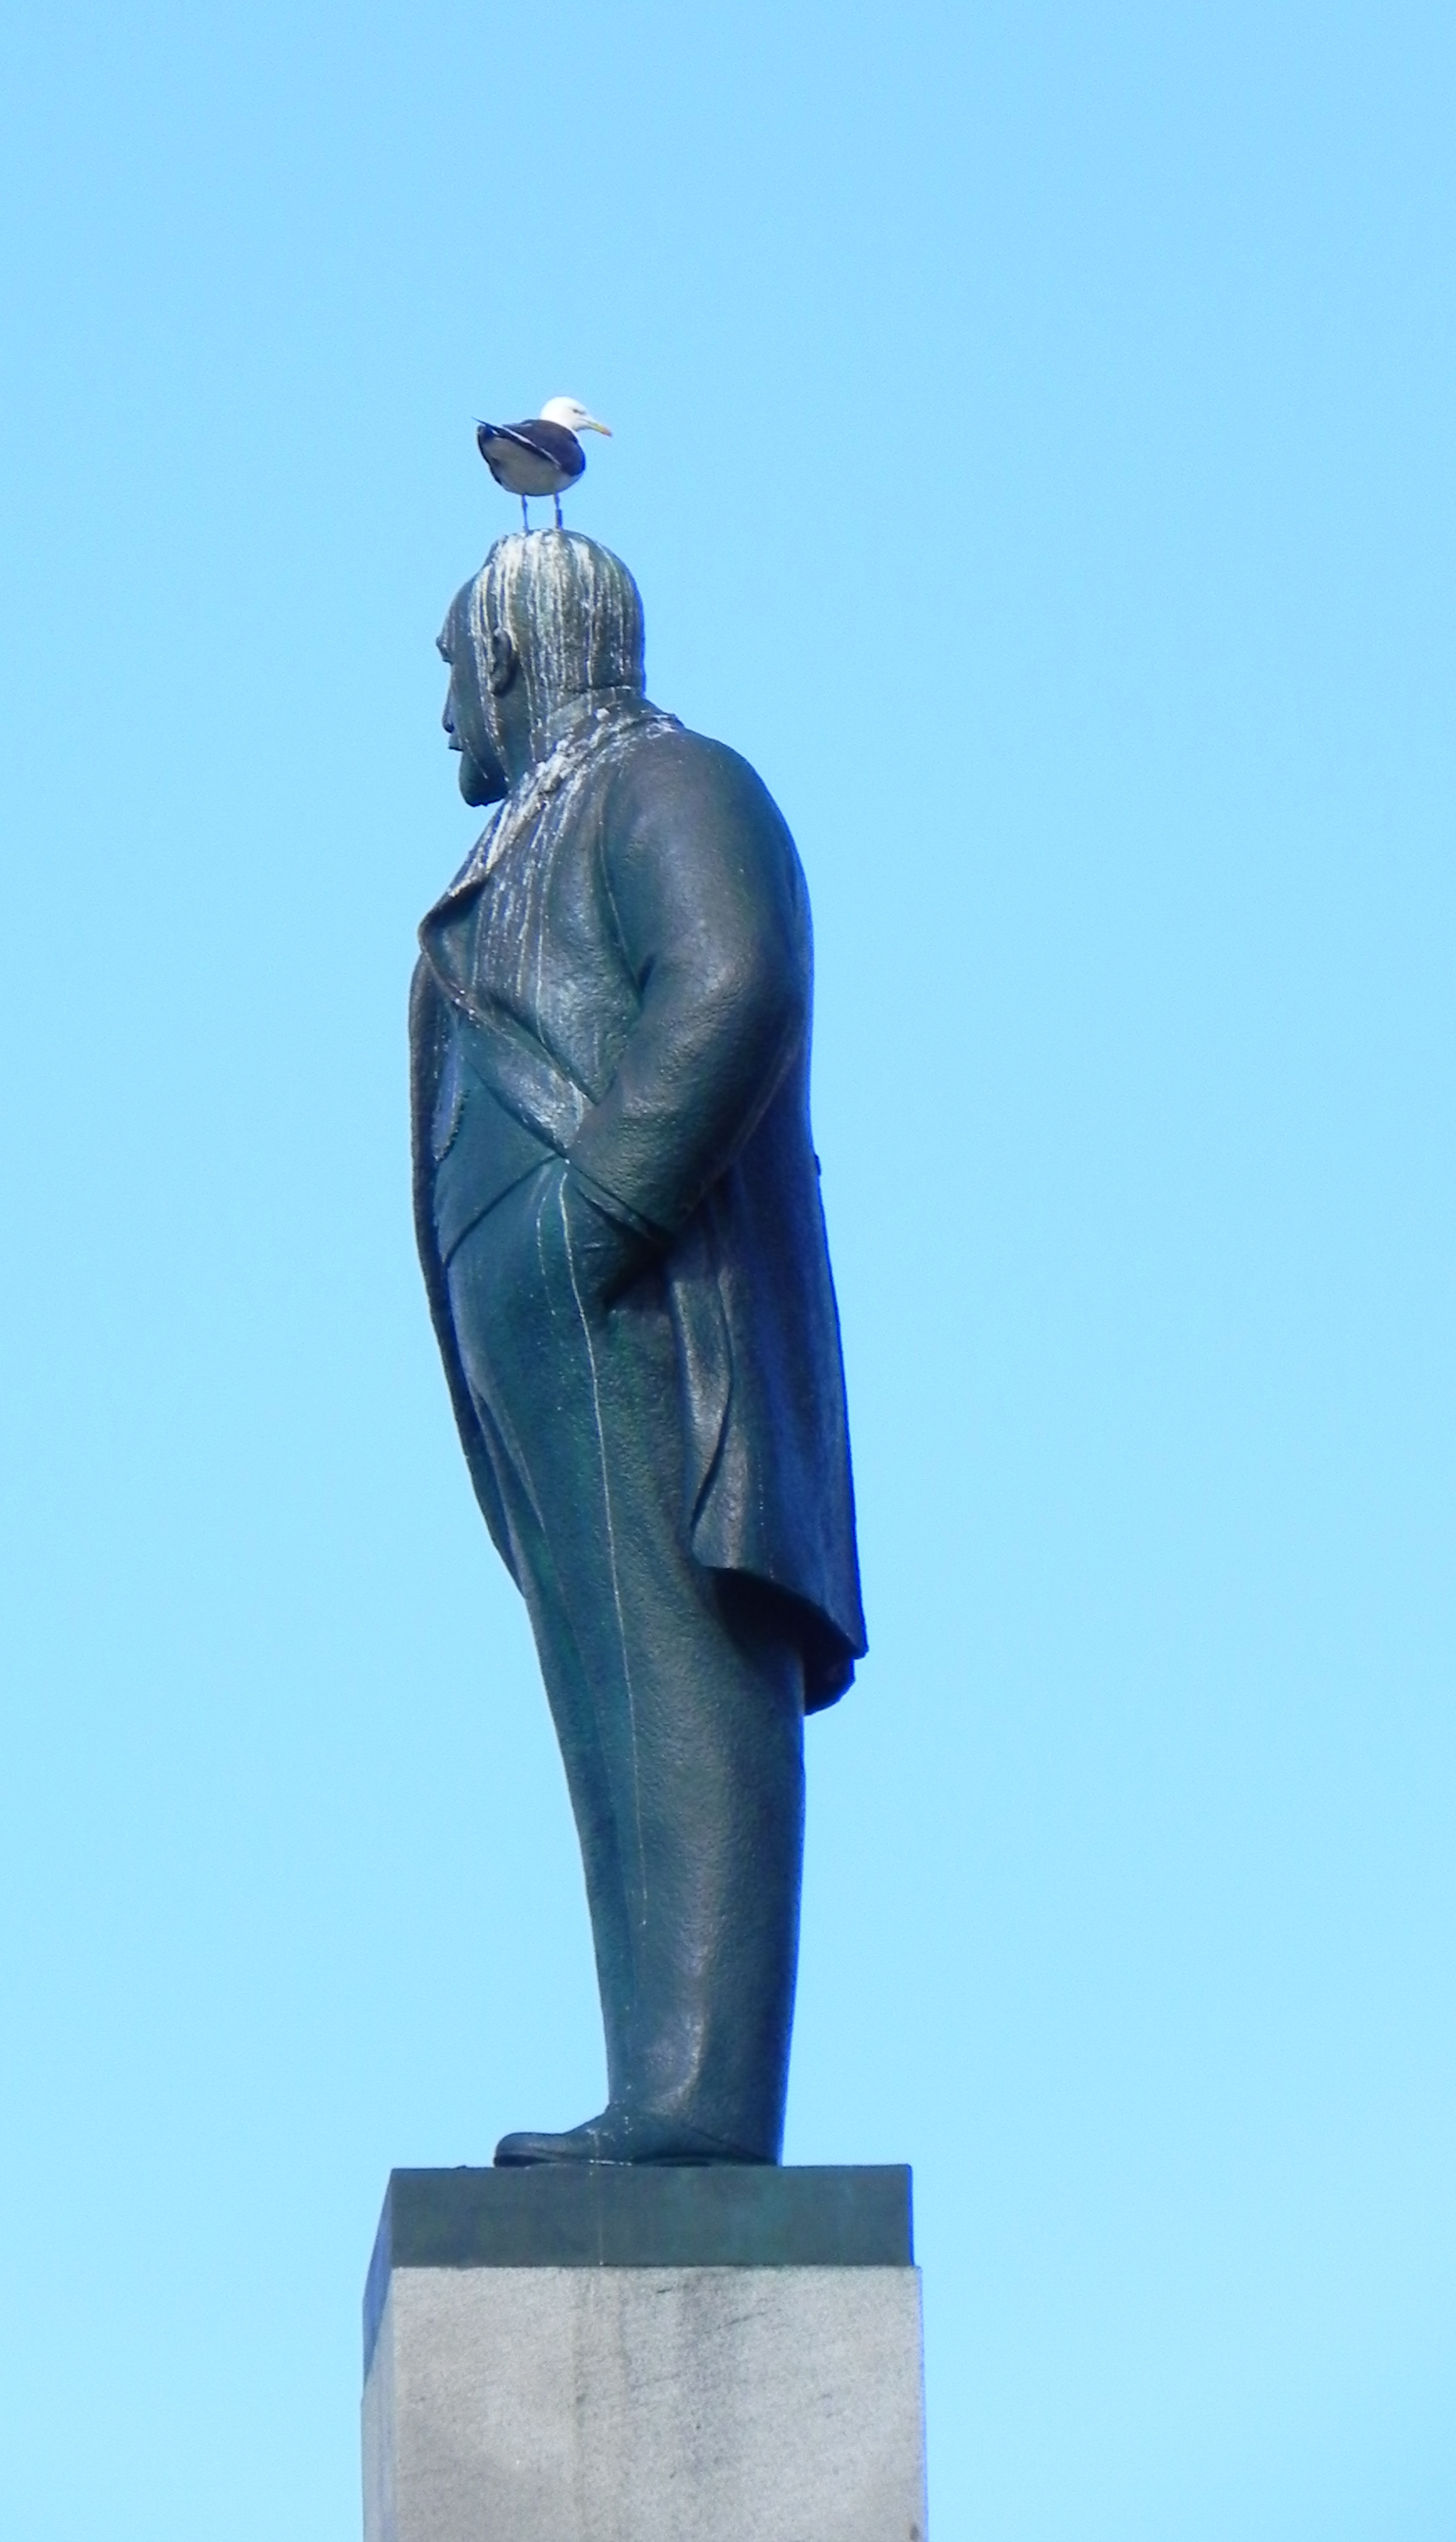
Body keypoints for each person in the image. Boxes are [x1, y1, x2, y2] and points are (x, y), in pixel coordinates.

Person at [410, 529, 865, 2167]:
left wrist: (588, 1222)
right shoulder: (529, 838)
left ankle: (697, 2103)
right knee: (611, 1715)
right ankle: (657, 2083)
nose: (444, 713)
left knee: (679, 1689)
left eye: (452, 670)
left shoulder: (671, 788)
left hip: (654, 1331)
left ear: (510, 660)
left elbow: (734, 981)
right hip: (556, 1347)